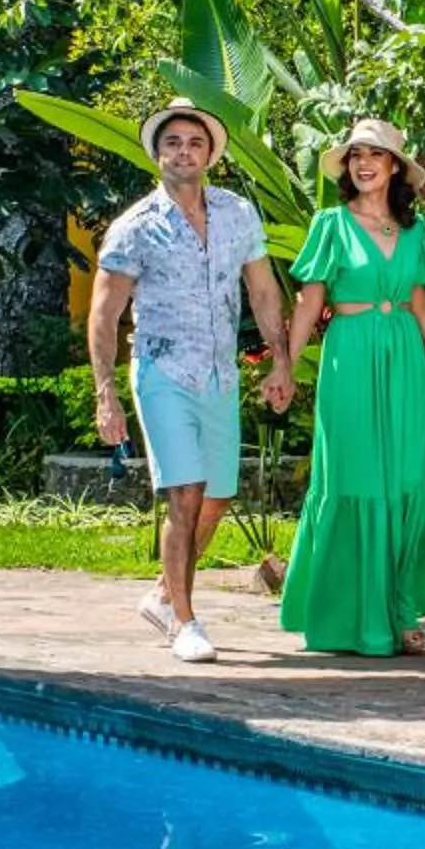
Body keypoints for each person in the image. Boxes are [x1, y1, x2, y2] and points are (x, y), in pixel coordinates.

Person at [90, 101, 288, 664]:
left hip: (220, 373)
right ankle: (184, 620)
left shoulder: (238, 214)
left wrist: (279, 361)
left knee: (219, 494)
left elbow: (264, 292)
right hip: (162, 372)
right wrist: (106, 394)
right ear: (158, 154)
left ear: (209, 155)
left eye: (194, 143)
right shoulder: (135, 228)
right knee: (186, 492)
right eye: (172, 142)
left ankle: (160, 593)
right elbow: (104, 315)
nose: (184, 151)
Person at [267, 119, 425, 655]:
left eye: (376, 155)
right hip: (350, 357)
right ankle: (346, 618)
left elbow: (422, 306)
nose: (364, 163)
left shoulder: (416, 230)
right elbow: (310, 302)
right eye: (356, 154)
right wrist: (284, 365)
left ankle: (399, 612)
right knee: (354, 479)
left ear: (395, 166)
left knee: (404, 481)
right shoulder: (330, 224)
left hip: (403, 357)